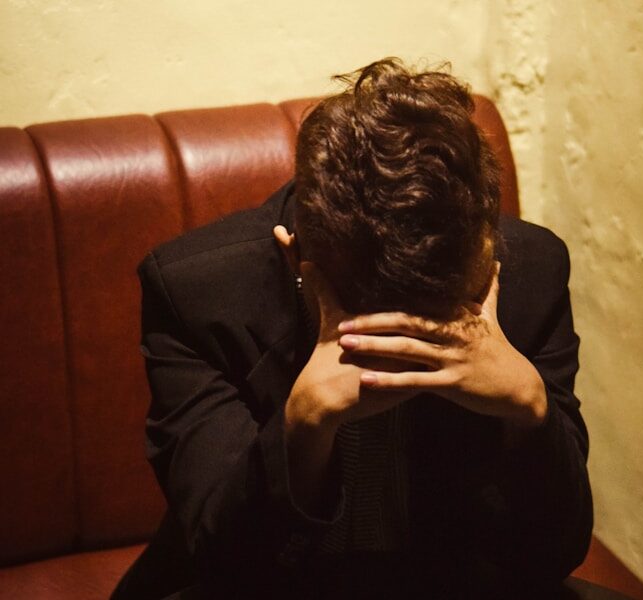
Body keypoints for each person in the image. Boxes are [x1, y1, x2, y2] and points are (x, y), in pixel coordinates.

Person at [111, 58, 592, 599]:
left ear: (487, 235)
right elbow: (226, 563)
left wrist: (529, 408)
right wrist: (305, 425)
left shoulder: (531, 269)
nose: (407, 339)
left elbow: (551, 553)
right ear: (298, 255)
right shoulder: (197, 293)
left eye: (442, 308)